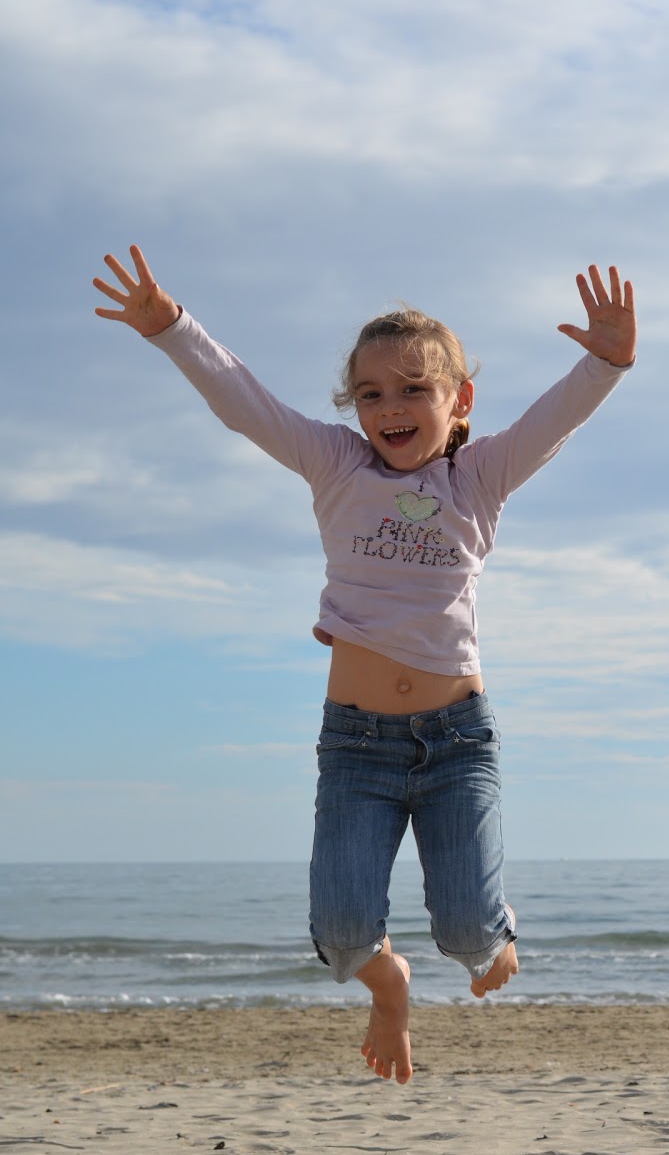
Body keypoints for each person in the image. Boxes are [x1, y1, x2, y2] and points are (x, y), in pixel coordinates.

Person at [93, 246, 636, 1083]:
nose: (391, 407)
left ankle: (491, 931)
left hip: (457, 743)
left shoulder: (478, 478)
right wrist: (171, 327)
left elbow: (550, 422)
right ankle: (391, 987)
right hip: (357, 748)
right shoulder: (336, 465)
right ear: (353, 408)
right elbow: (244, 402)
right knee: (344, 937)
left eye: (415, 388)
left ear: (459, 402)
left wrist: (605, 362)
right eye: (371, 393)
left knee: (470, 936)